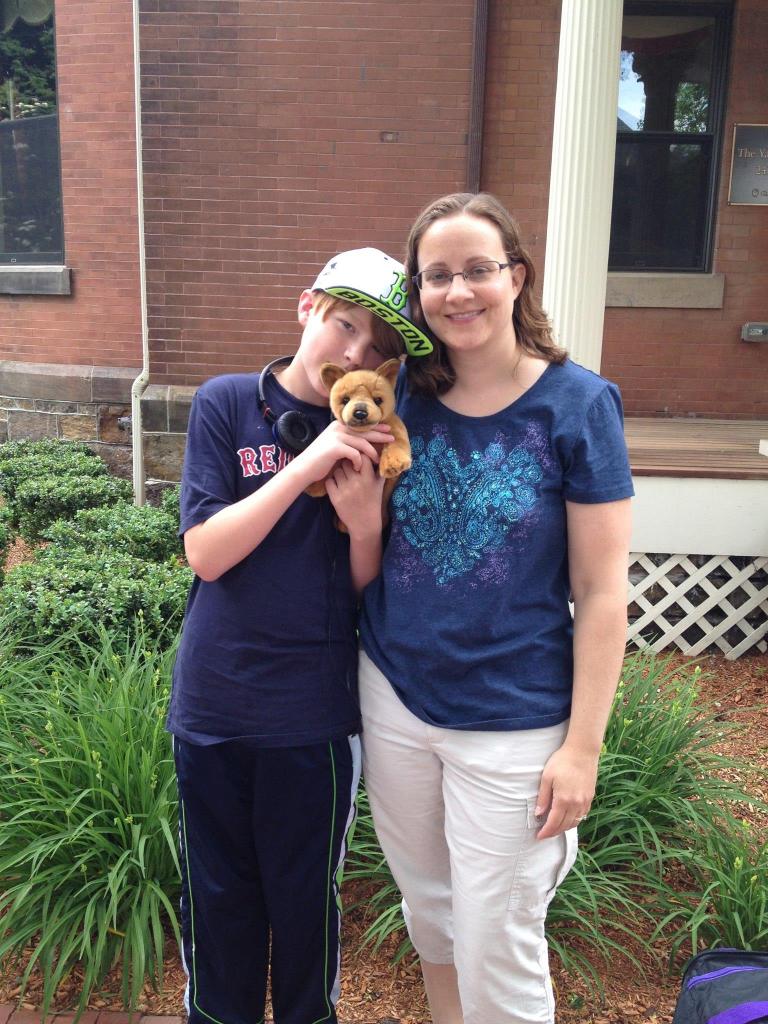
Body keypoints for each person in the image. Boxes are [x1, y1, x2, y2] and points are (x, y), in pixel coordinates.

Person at [358, 193, 634, 1024]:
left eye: (477, 269)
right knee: (431, 912)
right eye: (436, 275)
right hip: (395, 696)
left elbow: (602, 590)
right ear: (418, 292)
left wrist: (582, 749)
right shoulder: (398, 395)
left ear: (516, 276)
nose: (457, 291)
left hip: (514, 718)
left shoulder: (578, 406)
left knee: (498, 937)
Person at [166, 247, 433, 1024]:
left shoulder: (380, 433)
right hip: (213, 706)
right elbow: (206, 553)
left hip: (311, 718)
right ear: (307, 306)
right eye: (344, 325)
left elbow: (361, 592)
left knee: (305, 906)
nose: (355, 352)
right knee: (217, 900)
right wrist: (303, 465)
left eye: (377, 349)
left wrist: (365, 524)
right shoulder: (225, 403)